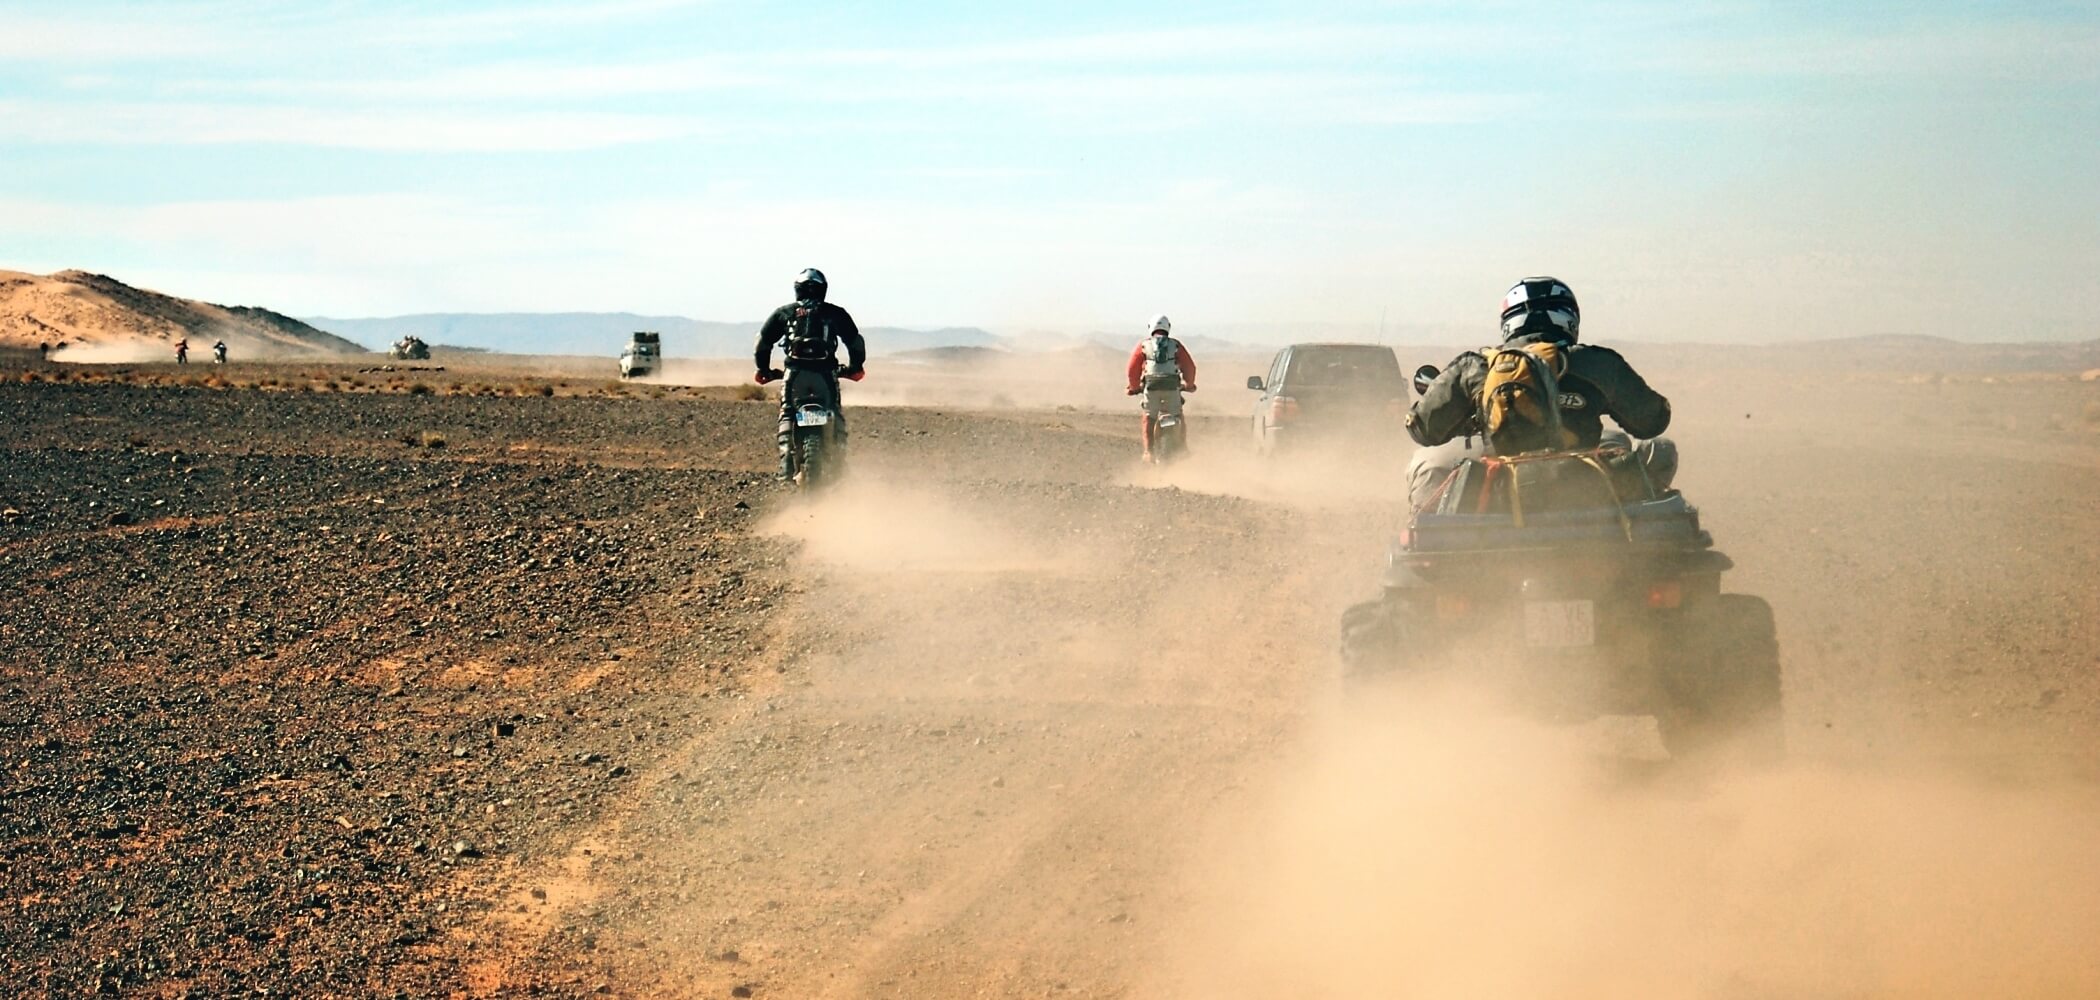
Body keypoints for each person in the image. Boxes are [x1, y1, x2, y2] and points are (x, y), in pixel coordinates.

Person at [1404, 276, 1675, 507]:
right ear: (1568, 319)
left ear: (1509, 321)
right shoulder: (1599, 364)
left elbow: (1421, 428)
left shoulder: (1475, 367)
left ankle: (1432, 540)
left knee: (1426, 464)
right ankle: (1648, 527)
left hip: (1499, 494)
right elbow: (1652, 422)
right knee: (1663, 450)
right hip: (1584, 491)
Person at [753, 268, 866, 479]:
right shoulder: (835, 313)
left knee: (787, 412)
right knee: (834, 411)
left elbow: (763, 342)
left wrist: (763, 370)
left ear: (798, 290)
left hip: (795, 374)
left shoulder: (784, 313)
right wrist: (856, 368)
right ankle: (839, 466)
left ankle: (786, 466)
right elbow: (855, 342)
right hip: (825, 375)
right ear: (823, 290)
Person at [1125, 315, 1197, 462]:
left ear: (1150, 328)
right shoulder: (1176, 345)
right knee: (1178, 415)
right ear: (1168, 327)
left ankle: (1148, 452)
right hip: (1172, 388)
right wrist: (1189, 384)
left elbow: (1132, 369)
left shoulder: (1143, 346)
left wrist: (1133, 387)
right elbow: (1190, 367)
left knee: (1149, 417)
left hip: (1151, 388)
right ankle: (1183, 448)